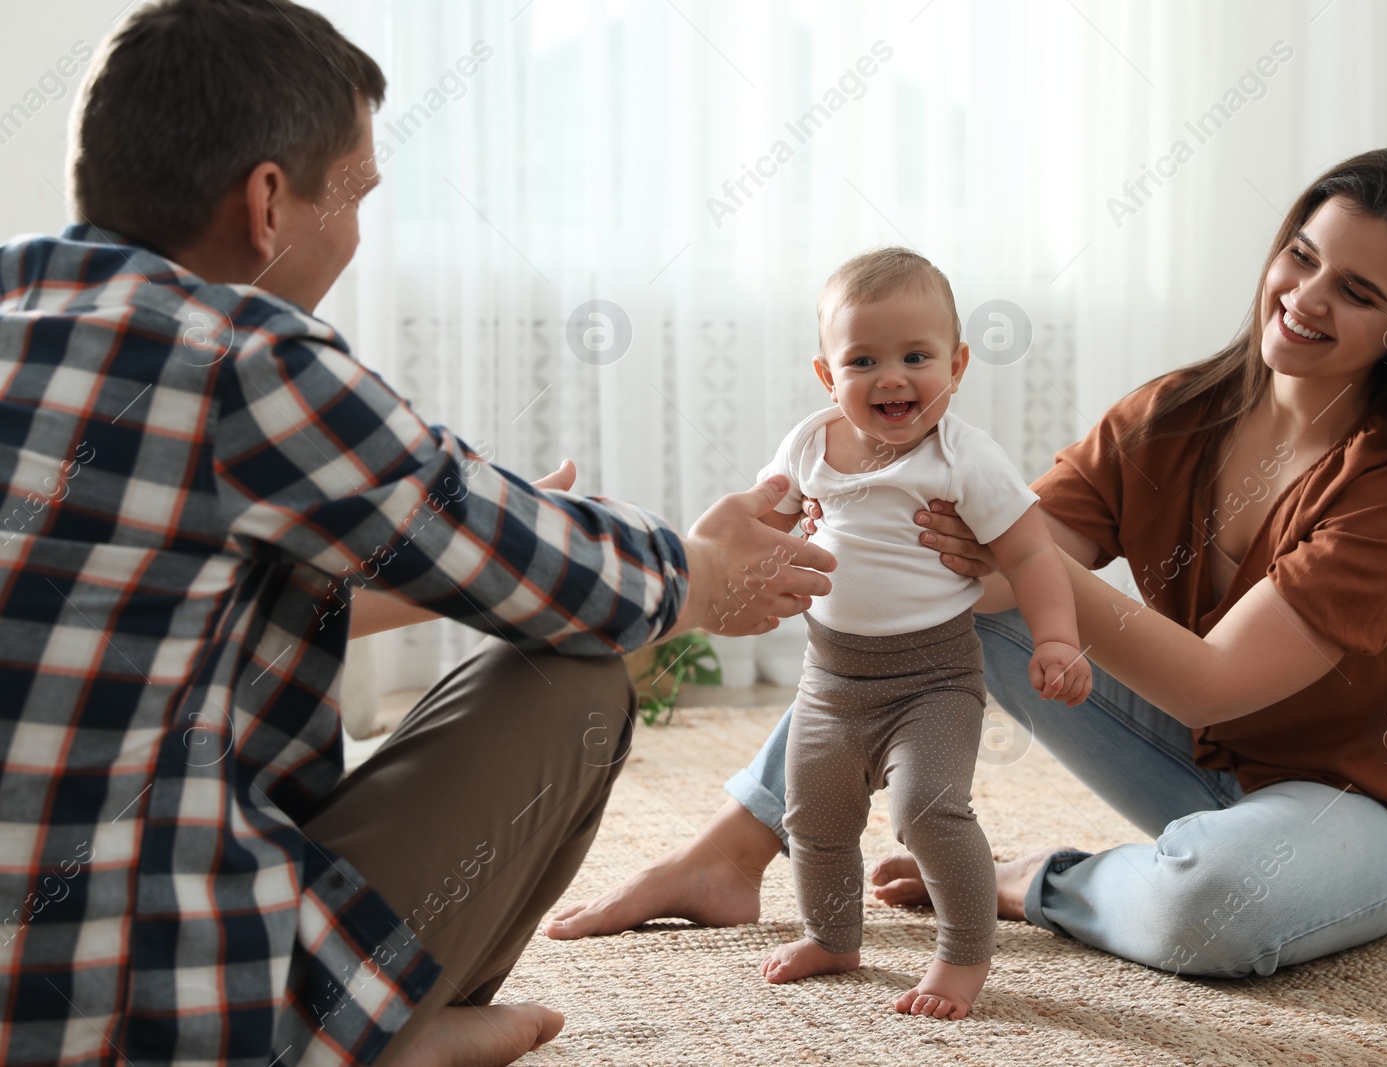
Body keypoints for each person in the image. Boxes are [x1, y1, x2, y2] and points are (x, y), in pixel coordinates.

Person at [0, 3, 833, 1066]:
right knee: (575, 673)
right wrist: (699, 572)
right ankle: (355, 1036)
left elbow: (162, 607)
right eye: (356, 196)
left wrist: (461, 550)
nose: (356, 232)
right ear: (266, 202)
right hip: (150, 1013)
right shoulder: (244, 361)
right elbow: (569, 579)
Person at [548, 147, 1387, 985]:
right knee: (938, 595)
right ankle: (731, 851)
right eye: (1302, 254)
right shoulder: (1171, 413)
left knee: (1207, 907)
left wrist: (1025, 557)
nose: (1304, 296)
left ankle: (1033, 880)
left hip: (1351, 808)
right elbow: (987, 581)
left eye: (1358, 292)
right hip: (1189, 767)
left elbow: (1218, 689)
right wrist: (827, 536)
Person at [752, 248, 1089, 1019]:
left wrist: (1058, 638)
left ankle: (963, 955)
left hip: (933, 679)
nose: (892, 377)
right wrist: (754, 558)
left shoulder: (963, 455)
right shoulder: (808, 444)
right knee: (814, 815)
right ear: (827, 376)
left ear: (958, 364)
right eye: (863, 359)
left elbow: (1033, 550)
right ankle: (833, 935)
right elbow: (759, 520)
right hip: (829, 681)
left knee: (929, 808)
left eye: (916, 356)